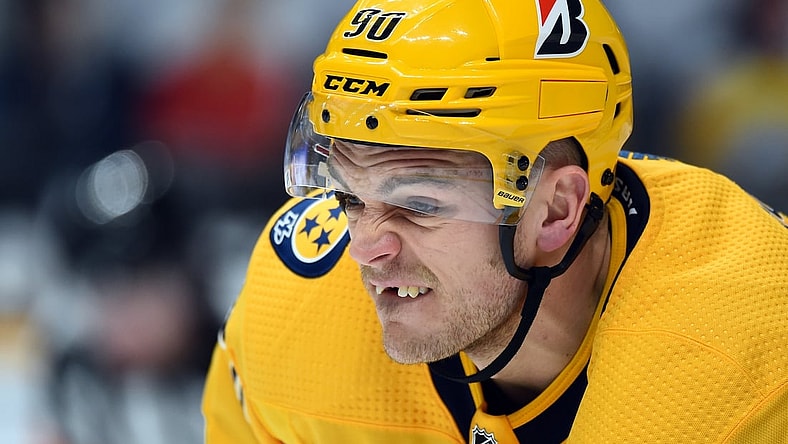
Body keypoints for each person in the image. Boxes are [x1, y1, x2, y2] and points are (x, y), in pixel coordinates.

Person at [202, 0, 788, 442]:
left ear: (556, 210)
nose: (364, 249)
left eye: (418, 205)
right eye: (350, 197)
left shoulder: (729, 356)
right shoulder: (297, 312)